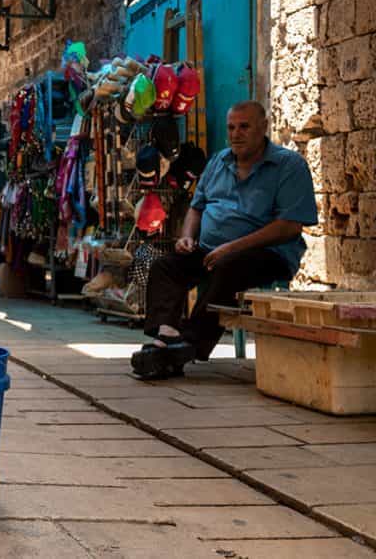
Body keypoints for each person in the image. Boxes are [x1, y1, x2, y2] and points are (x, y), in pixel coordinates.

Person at [131, 101, 318, 379]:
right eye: (231, 127)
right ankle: (167, 339)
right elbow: (197, 206)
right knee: (165, 267)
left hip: (266, 254)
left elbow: (289, 227)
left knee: (230, 267)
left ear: (264, 127)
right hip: (210, 251)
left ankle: (190, 343)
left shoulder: (288, 165)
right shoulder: (218, 161)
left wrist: (232, 247)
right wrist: (186, 237)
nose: (236, 134)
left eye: (245, 126)